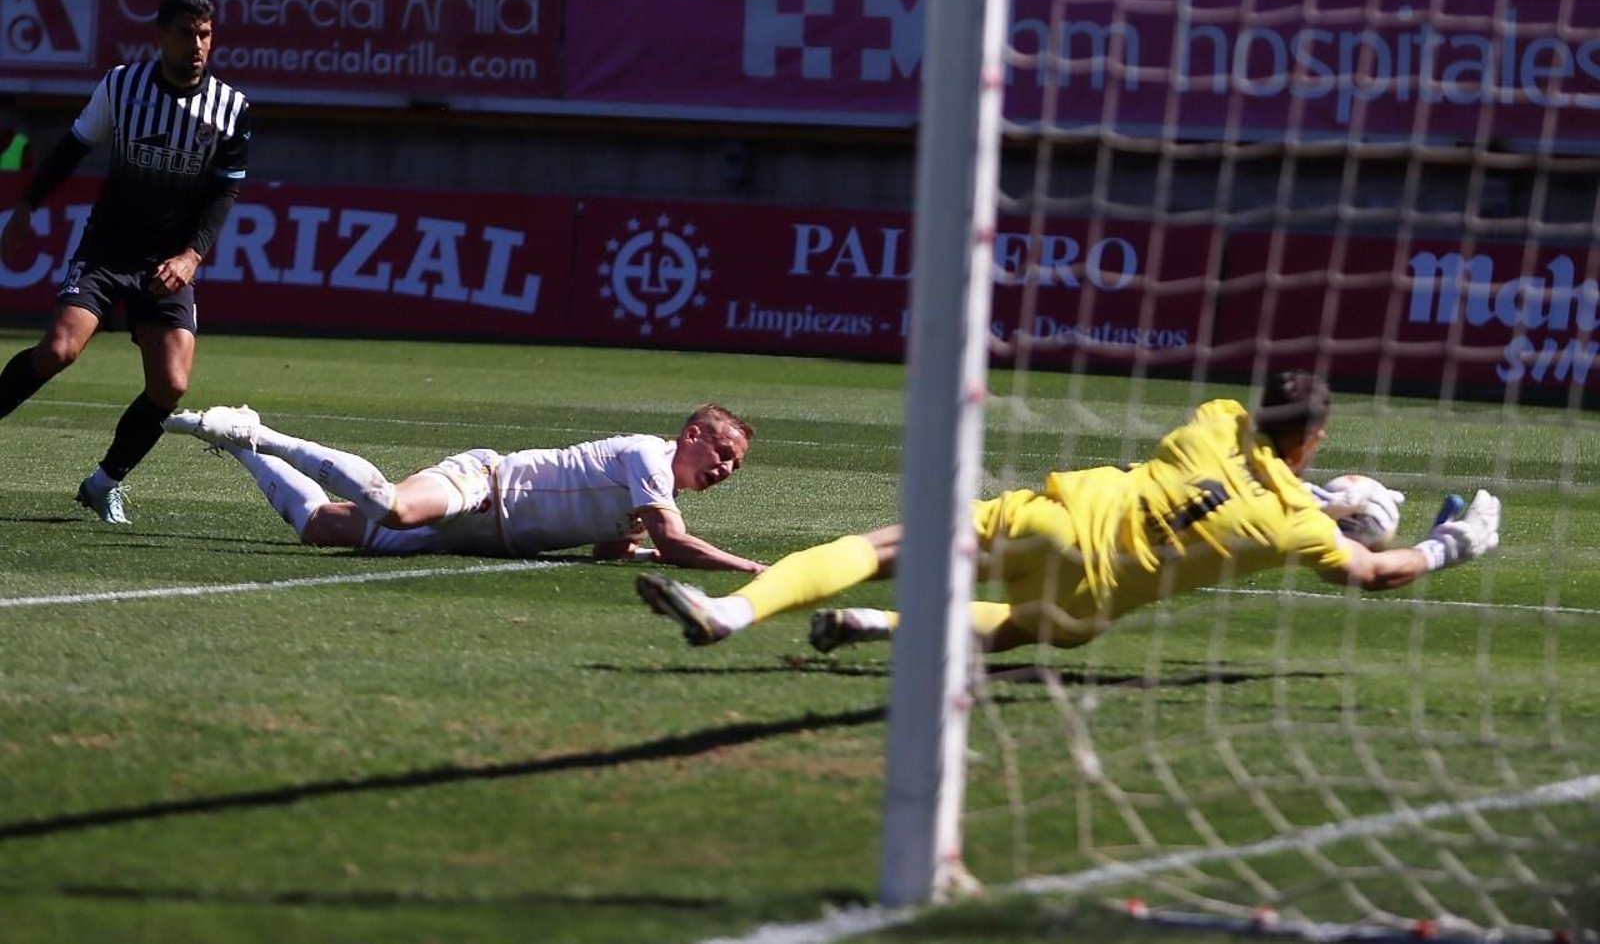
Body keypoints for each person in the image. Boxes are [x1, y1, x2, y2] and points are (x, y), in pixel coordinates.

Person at [634, 371, 1502, 653]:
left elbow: (1258, 463)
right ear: (1311, 442)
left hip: (1056, 515)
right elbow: (1373, 573)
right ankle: (882, 626)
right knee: (1019, 625)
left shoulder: (1216, 423)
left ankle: (731, 609)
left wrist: (1328, 485)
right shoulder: (1294, 525)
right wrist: (1450, 543)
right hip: (1094, 592)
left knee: (882, 542)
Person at [0, 0, 249, 525]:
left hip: (167, 264)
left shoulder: (232, 109)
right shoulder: (122, 85)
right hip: (108, 250)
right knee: (60, 350)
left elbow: (223, 193)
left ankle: (105, 481)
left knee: (171, 385)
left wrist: (191, 256)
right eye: (186, 33)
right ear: (160, 36)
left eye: (206, 34)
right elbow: (72, 147)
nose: (198, 45)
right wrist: (27, 205)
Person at [163, 402, 768, 571]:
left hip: (482, 538)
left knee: (320, 528)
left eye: (734, 468)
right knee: (395, 507)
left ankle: (238, 444)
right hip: (485, 485)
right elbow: (677, 540)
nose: (726, 470)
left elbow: (608, 549)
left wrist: (637, 550)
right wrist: (746, 568)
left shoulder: (655, 494)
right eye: (724, 454)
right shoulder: (647, 458)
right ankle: (262, 434)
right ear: (692, 436)